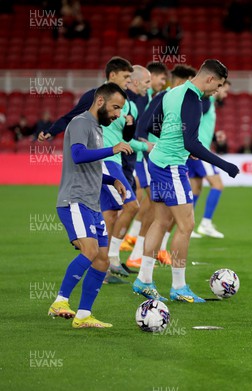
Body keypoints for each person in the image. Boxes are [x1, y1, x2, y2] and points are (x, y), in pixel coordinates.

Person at [133, 59, 239, 303]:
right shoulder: (193, 98)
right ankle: (179, 287)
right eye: (219, 85)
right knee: (186, 226)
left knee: (161, 222)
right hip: (171, 166)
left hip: (156, 160)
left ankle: (144, 280)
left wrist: (175, 139)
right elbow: (192, 142)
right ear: (210, 79)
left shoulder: (172, 92)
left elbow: (150, 125)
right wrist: (225, 165)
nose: (218, 91)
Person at [48, 83, 133, 328]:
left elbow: (91, 166)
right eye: (115, 107)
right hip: (74, 200)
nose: (118, 114)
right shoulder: (80, 123)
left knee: (103, 260)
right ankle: (60, 301)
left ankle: (84, 315)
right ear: (99, 102)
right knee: (90, 251)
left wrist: (112, 180)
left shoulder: (96, 127)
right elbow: (78, 155)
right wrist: (112, 149)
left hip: (92, 203)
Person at [126, 64, 197, 268]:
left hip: (164, 159)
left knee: (163, 213)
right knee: (152, 209)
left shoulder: (175, 98)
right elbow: (143, 126)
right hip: (154, 160)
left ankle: (148, 253)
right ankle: (137, 254)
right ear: (183, 81)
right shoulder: (165, 97)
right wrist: (153, 145)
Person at [99, 65, 154, 280]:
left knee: (115, 211)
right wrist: (145, 147)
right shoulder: (103, 98)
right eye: (147, 82)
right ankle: (106, 259)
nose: (149, 87)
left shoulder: (130, 103)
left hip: (122, 161)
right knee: (131, 206)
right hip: (109, 159)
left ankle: (107, 260)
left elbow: (128, 134)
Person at [38, 56, 134, 142]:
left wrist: (130, 125)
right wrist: (50, 132)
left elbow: (126, 138)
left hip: (116, 158)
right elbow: (70, 118)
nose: (129, 80)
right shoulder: (94, 96)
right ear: (113, 75)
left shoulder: (126, 101)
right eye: (126, 76)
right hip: (97, 156)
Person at [187, 80, 232, 239]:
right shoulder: (206, 102)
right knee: (218, 185)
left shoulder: (206, 102)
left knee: (195, 190)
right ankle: (205, 223)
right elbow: (192, 121)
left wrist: (213, 136)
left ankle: (187, 225)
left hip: (195, 149)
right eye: (224, 90)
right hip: (201, 151)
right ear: (218, 88)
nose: (225, 94)